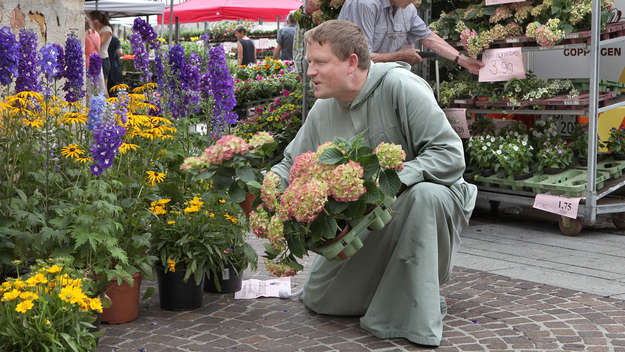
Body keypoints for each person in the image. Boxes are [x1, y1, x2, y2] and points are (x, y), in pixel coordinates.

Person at [270, 20, 477, 346]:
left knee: (425, 196)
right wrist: (267, 187)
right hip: (366, 216)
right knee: (321, 300)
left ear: (352, 62)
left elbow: (450, 155)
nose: (310, 72)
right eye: (310, 62)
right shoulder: (323, 107)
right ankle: (399, 290)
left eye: (319, 63)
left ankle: (415, 310)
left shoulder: (401, 87)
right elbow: (290, 163)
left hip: (427, 203)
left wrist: (390, 180)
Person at [338, 0, 483, 74]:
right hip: (351, 81)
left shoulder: (408, 8)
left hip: (381, 80)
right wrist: (400, 56)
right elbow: (360, 59)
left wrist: (462, 60)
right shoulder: (365, 4)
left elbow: (428, 38)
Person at [89, 11, 113, 88]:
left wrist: (94, 29)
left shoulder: (106, 29)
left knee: (103, 87)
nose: (90, 22)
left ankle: (107, 100)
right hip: (95, 58)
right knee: (95, 87)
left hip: (103, 59)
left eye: (91, 20)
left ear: (97, 20)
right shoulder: (97, 29)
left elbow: (99, 43)